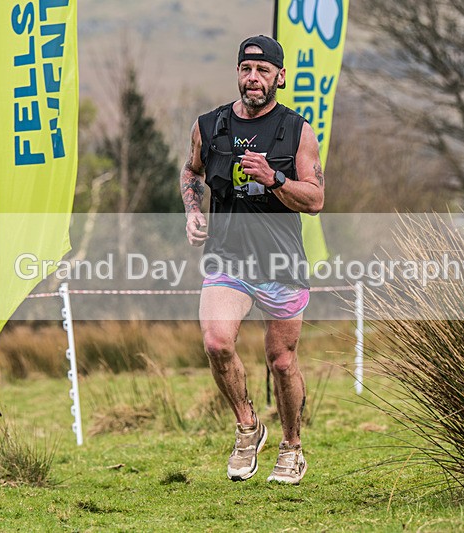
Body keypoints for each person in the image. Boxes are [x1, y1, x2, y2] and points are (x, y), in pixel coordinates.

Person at [179, 35, 325, 484]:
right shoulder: (210, 125)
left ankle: (292, 446)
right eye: (246, 69)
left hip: (281, 263)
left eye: (263, 71)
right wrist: (193, 211)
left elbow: (315, 198)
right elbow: (191, 171)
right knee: (216, 342)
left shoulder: (297, 131)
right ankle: (248, 426)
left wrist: (275, 177)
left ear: (280, 76)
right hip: (228, 259)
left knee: (281, 361)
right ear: (238, 73)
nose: (253, 78)